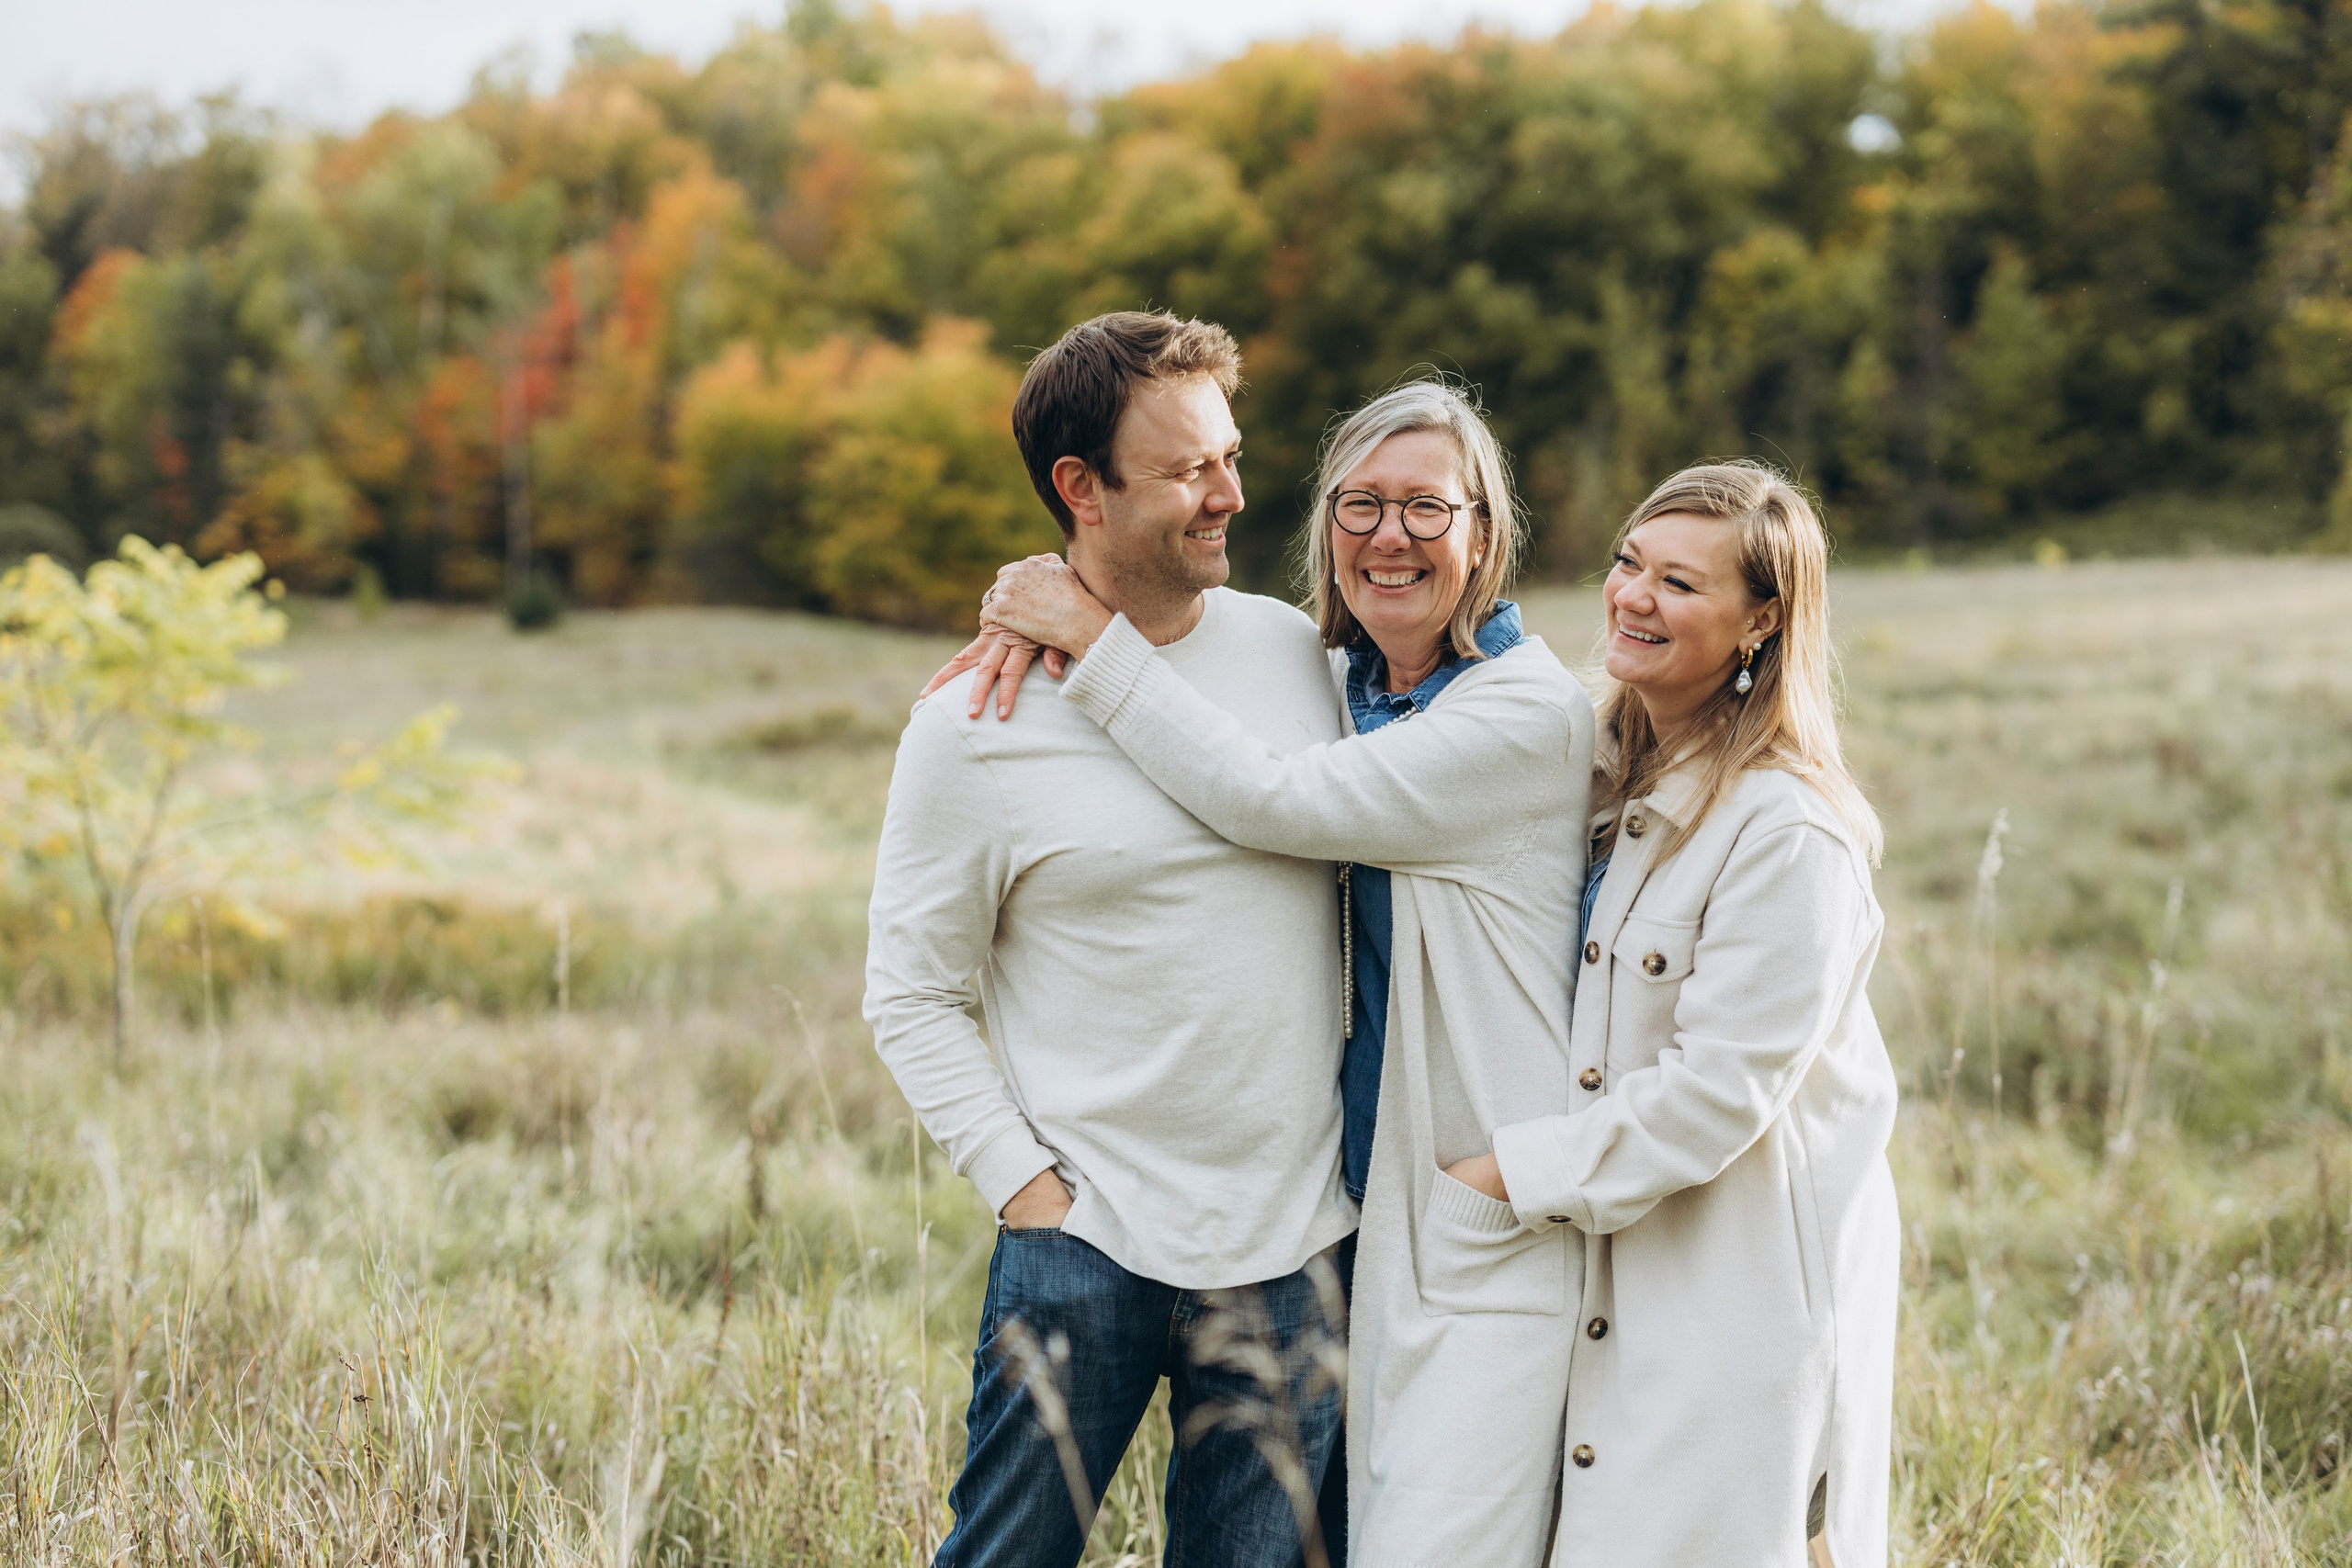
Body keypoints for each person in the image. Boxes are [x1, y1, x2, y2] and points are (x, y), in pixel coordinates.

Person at [956, 378, 1597, 1565]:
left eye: (1426, 507)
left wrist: (1083, 629)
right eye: (1359, 505)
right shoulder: (1346, 684)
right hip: (1322, 1226)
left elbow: (1268, 797)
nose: (1389, 536)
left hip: (1473, 1219)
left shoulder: (1517, 715)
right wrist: (1023, 1180)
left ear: (1487, 532)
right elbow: (913, 980)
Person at [863, 310, 1356, 1568]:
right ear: (1079, 488)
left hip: (1295, 1245)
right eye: (1191, 469)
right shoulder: (977, 719)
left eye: (1231, 455)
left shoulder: (1301, 658)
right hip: (1088, 1240)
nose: (1232, 494)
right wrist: (1028, 1191)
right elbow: (910, 991)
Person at [1447, 461, 1900, 1568]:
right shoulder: (1593, 777)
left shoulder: (1785, 833)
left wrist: (1497, 1179)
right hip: (1592, 1282)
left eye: (1680, 585)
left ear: (1762, 622)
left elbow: (1712, 1097)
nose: (1633, 598)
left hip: (1729, 1304)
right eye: (1627, 564)